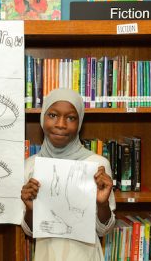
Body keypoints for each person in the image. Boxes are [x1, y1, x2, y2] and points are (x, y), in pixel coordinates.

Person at [21, 88, 116, 260]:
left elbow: (105, 230)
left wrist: (102, 205)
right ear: (42, 118)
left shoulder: (98, 165)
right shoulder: (30, 166)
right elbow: (30, 231)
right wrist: (30, 209)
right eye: (53, 115)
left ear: (79, 123)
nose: (61, 124)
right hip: (46, 256)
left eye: (71, 118)